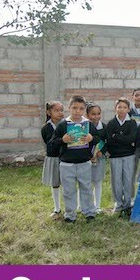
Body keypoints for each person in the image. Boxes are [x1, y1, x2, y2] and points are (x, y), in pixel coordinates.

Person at [52, 95, 99, 223]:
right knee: (68, 191)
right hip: (67, 164)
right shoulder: (63, 125)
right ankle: (70, 214)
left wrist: (91, 138)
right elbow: (52, 143)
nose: (77, 111)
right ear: (69, 108)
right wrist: (63, 140)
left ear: (84, 110)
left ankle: (89, 212)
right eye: (74, 108)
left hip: (84, 163)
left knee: (86, 189)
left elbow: (97, 138)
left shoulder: (88, 124)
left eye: (81, 108)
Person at [106, 97, 137, 216]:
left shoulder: (132, 123)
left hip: (129, 155)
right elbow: (110, 140)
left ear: (128, 109)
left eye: (125, 107)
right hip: (115, 156)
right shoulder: (111, 123)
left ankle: (128, 204)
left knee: (128, 180)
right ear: (115, 108)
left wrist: (117, 136)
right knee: (116, 180)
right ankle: (118, 204)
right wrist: (124, 139)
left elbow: (132, 139)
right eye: (119, 107)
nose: (122, 109)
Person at [41, 100, 64, 217]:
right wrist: (62, 140)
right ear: (49, 112)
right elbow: (50, 144)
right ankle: (57, 208)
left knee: (67, 183)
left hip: (66, 158)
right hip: (54, 158)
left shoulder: (66, 124)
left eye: (61, 110)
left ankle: (72, 207)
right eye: (56, 110)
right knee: (55, 183)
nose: (60, 113)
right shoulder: (46, 128)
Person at [86, 102, 107, 214]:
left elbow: (108, 142)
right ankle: (83, 205)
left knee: (98, 181)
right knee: (85, 182)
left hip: (99, 158)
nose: (96, 116)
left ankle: (97, 205)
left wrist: (102, 151)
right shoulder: (84, 127)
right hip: (86, 159)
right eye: (93, 114)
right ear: (87, 115)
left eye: (98, 114)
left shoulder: (104, 127)